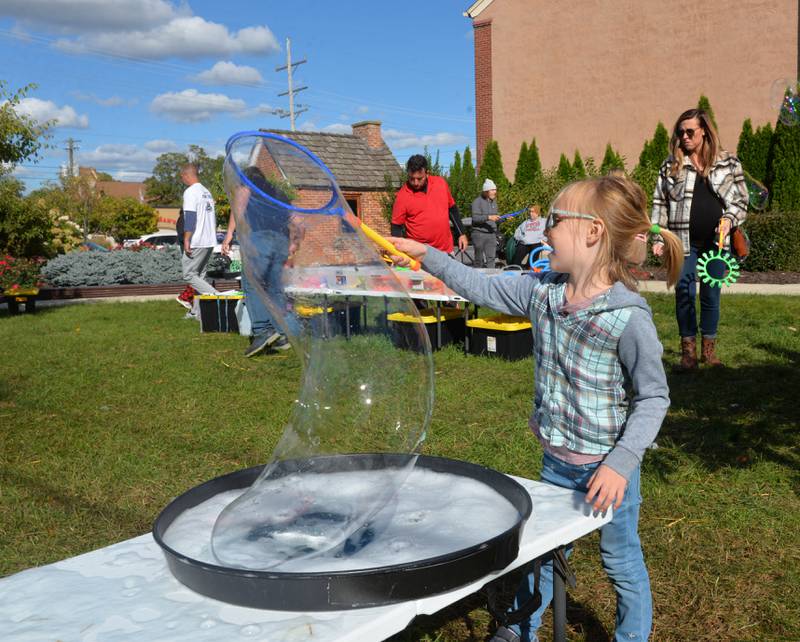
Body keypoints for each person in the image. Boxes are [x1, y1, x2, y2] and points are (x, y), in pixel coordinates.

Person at [390, 174, 683, 642]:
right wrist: (427, 255)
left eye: (554, 220)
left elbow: (654, 397)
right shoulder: (541, 292)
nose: (544, 230)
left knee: (622, 563)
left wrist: (621, 465)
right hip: (557, 464)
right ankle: (520, 629)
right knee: (541, 554)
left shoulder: (628, 318)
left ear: (592, 233)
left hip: (609, 474)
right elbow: (478, 287)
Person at [651, 108, 749, 369]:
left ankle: (709, 351)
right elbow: (659, 204)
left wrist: (729, 219)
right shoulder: (671, 165)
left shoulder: (728, 162)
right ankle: (688, 354)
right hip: (681, 242)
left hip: (717, 244)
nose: (684, 136)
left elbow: (741, 201)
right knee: (683, 292)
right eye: (680, 132)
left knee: (710, 294)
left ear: (704, 130)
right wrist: (658, 237)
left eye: (690, 131)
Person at [222, 166, 296, 356]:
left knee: (253, 284)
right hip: (281, 241)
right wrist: (293, 244)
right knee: (274, 288)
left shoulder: (247, 187)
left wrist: (235, 236)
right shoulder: (277, 193)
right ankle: (282, 333)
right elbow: (296, 221)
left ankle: (263, 331)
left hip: (259, 237)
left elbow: (238, 212)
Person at [391, 154, 468, 255]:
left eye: (419, 178)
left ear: (427, 173)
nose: (415, 183)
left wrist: (461, 233)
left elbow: (452, 209)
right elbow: (396, 227)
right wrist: (400, 252)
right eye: (411, 178)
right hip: (420, 255)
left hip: (446, 250)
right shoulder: (402, 196)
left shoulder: (441, 183)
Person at [179, 163, 219, 317]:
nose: (182, 180)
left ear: (186, 175)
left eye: (182, 177)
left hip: (197, 240)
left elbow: (190, 217)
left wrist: (187, 239)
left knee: (189, 275)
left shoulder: (190, 192)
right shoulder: (206, 192)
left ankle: (219, 298)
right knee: (199, 276)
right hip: (209, 240)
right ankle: (197, 312)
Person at [471, 178, 500, 268]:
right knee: (479, 260)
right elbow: (475, 218)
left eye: (495, 189)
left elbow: (494, 219)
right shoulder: (477, 202)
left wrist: (503, 219)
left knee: (491, 259)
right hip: (479, 234)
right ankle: (477, 280)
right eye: (492, 190)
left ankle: (491, 279)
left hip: (491, 234)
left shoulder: (494, 202)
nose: (495, 192)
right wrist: (488, 217)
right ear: (486, 191)